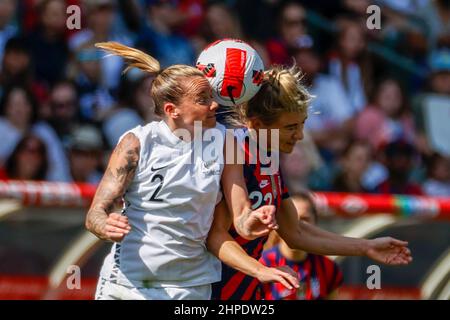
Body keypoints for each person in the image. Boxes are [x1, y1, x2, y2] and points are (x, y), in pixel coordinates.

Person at [85, 42, 298, 300]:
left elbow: (241, 218)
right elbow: (95, 213)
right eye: (202, 100)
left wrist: (255, 221)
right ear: (171, 110)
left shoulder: (226, 143)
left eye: (211, 97)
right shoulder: (137, 143)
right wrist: (104, 225)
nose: (214, 106)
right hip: (126, 285)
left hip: (191, 288)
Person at [207, 65, 412, 300]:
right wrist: (260, 269)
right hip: (212, 291)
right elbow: (216, 236)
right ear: (257, 124)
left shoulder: (267, 154)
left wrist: (366, 246)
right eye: (291, 127)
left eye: (302, 124)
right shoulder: (232, 152)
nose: (300, 135)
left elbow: (295, 231)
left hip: (245, 291)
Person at [260, 192, 343, 300]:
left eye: (305, 219)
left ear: (315, 222)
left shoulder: (328, 267)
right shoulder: (263, 265)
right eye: (292, 218)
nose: (298, 225)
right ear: (279, 222)